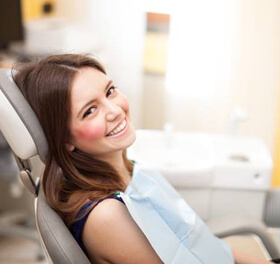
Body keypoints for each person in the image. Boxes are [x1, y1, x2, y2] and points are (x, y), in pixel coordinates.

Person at [13, 54, 278, 264]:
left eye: (110, 91)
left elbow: (204, 245)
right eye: (90, 111)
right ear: (65, 139)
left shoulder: (128, 170)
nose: (115, 110)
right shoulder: (105, 215)